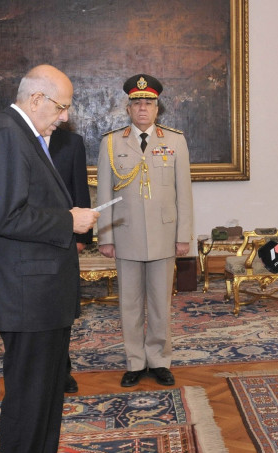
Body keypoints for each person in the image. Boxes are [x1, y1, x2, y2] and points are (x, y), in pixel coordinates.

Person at [0, 64, 99, 453]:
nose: (64, 118)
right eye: (61, 108)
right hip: (28, 296)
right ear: (36, 99)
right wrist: (69, 221)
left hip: (37, 294)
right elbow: (9, 216)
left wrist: (65, 213)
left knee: (43, 399)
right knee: (29, 403)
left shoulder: (20, 134)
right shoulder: (8, 136)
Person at [97, 74, 193, 388]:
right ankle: (135, 362)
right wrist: (106, 236)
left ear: (157, 108)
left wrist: (183, 235)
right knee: (129, 303)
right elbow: (104, 195)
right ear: (128, 107)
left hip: (165, 235)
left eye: (148, 103)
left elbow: (184, 193)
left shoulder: (175, 141)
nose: (142, 109)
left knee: (160, 303)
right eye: (137, 103)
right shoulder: (111, 143)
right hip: (125, 235)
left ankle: (159, 360)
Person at [47, 125, 93, 394]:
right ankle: (39, 371)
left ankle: (62, 369)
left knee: (61, 307)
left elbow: (79, 189)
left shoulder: (71, 143)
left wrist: (81, 238)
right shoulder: (18, 139)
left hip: (64, 238)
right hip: (27, 237)